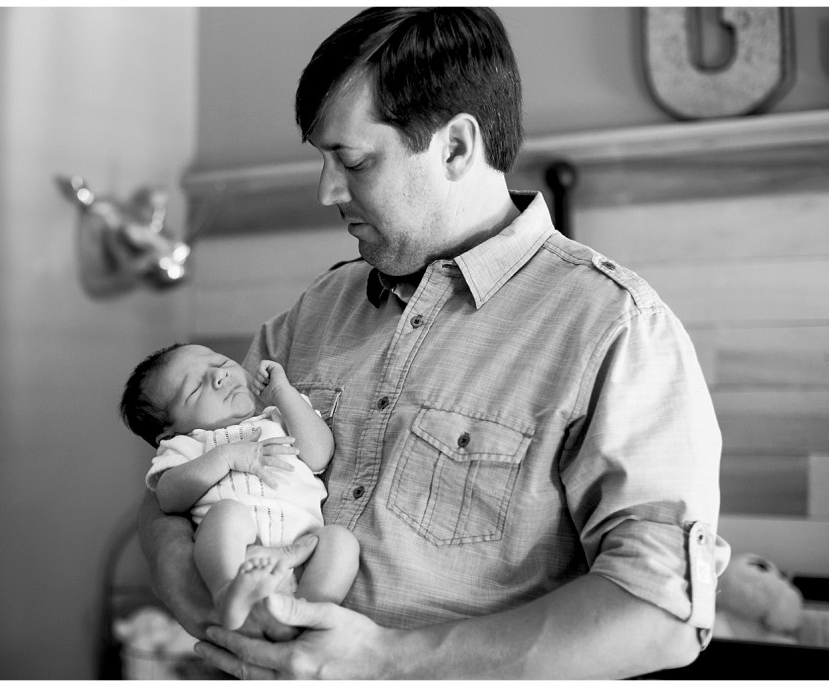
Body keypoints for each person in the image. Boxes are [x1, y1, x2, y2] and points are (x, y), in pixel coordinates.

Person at [138, 7, 730, 679]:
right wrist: (225, 610)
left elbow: (660, 615)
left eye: (353, 160)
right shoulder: (313, 313)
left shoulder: (616, 329)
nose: (326, 190)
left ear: (454, 147)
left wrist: (385, 661)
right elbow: (170, 482)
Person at [121, 343, 359, 632]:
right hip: (238, 557)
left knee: (340, 540)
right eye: (195, 389)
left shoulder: (281, 417)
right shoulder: (188, 444)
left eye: (220, 363)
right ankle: (227, 594)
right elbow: (168, 497)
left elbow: (320, 455)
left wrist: (284, 393)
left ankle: (309, 610)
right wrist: (225, 457)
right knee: (226, 514)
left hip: (304, 548)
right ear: (170, 431)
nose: (218, 377)